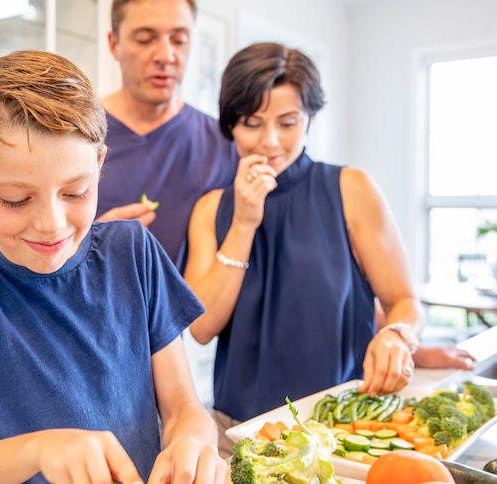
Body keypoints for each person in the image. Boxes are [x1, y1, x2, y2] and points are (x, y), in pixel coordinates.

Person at [0, 50, 225, 484]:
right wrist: (40, 449)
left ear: (99, 164)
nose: (51, 224)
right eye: (16, 200)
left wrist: (192, 441)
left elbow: (184, 409)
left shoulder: (133, 252)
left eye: (76, 192)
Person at [181, 42, 427, 457]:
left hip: (343, 430)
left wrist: (397, 336)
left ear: (309, 116)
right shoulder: (211, 209)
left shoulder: (351, 190)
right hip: (238, 435)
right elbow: (202, 328)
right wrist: (243, 222)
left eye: (288, 122)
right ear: (230, 125)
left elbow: (404, 301)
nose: (270, 141)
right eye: (252, 123)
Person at [96, 0, 237, 267]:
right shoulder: (75, 136)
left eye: (179, 40)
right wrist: (88, 242)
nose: (165, 56)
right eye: (145, 39)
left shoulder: (224, 143)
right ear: (114, 44)